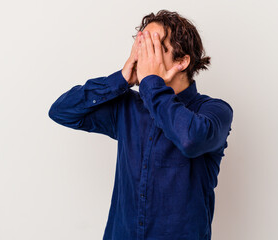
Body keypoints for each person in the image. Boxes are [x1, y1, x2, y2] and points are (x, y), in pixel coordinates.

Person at [48, 9, 233, 240]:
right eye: (141, 45)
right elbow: (62, 112)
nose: (143, 54)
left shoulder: (214, 111)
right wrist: (121, 79)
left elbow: (189, 139)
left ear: (182, 61)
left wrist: (151, 84)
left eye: (153, 47)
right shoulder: (127, 107)